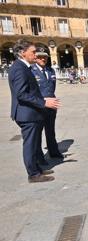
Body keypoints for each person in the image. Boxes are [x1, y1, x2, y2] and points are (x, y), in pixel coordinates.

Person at [8, 39, 61, 183]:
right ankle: (33, 174)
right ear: (22, 53)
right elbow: (21, 94)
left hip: (31, 113)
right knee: (30, 145)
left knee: (35, 143)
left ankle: (37, 168)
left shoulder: (23, 67)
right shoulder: (19, 68)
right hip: (27, 114)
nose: (35, 54)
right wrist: (44, 102)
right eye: (32, 52)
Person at [31, 48, 63, 166]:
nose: (43, 59)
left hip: (51, 104)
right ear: (35, 58)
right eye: (40, 57)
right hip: (39, 105)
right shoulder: (31, 71)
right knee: (38, 133)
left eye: (45, 57)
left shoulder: (50, 71)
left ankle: (54, 151)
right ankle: (39, 157)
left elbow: (52, 87)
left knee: (50, 130)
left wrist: (52, 100)